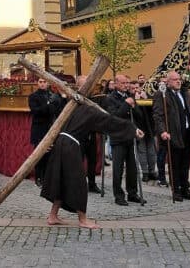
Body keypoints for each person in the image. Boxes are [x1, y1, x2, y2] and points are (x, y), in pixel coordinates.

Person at [41, 95, 137, 229]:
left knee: (61, 179)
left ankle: (53, 215)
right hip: (70, 146)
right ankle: (83, 220)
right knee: (79, 182)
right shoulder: (90, 111)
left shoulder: (74, 107)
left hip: (61, 142)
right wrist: (133, 129)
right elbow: (110, 121)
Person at [153, 71, 190, 202]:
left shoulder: (185, 93)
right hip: (173, 134)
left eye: (179, 79)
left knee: (185, 163)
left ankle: (185, 188)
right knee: (175, 163)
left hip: (187, 132)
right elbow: (158, 115)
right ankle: (176, 190)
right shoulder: (162, 95)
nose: (178, 81)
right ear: (168, 81)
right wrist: (162, 131)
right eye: (175, 80)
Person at [102, 74, 145, 205]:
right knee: (118, 169)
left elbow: (138, 115)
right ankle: (118, 195)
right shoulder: (110, 99)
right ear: (115, 84)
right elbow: (114, 117)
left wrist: (133, 107)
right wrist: (126, 105)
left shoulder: (129, 97)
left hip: (130, 137)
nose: (126, 85)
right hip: (118, 137)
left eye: (127, 83)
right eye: (123, 83)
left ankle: (132, 193)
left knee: (132, 168)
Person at [28, 77, 62, 184]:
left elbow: (57, 110)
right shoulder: (33, 96)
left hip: (51, 128)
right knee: (39, 154)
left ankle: (48, 178)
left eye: (44, 82)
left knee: (50, 154)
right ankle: (38, 177)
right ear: (37, 83)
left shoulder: (53, 95)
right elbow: (35, 111)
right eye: (40, 82)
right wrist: (48, 105)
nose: (42, 84)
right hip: (39, 129)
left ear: (48, 83)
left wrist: (52, 104)